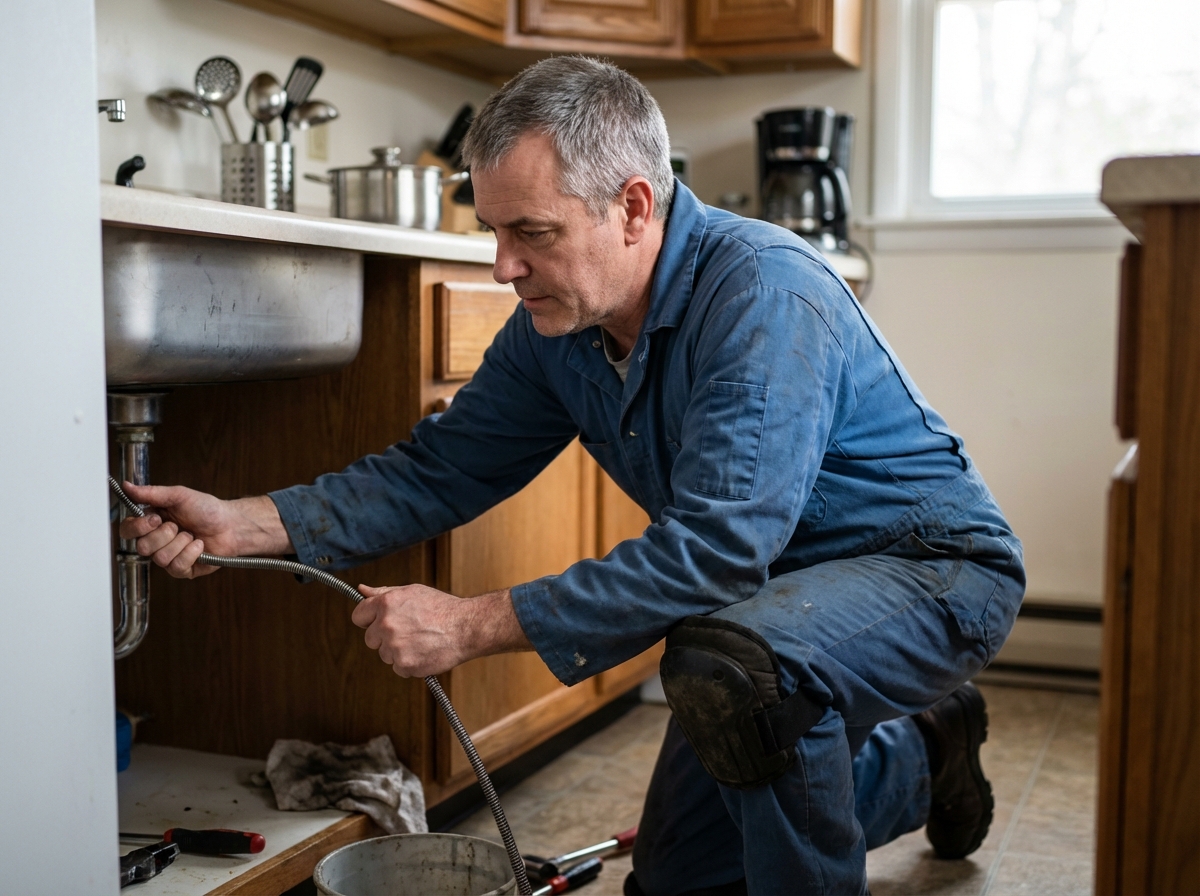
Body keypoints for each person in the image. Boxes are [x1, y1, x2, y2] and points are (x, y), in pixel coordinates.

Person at [120, 56, 1024, 896]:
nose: (503, 266)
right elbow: (442, 466)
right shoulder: (560, 328)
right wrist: (250, 521)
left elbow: (717, 551)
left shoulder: (762, 294)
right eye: (493, 231)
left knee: (738, 675)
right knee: (678, 880)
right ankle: (928, 754)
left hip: (931, 572)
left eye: (533, 232)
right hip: (770, 605)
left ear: (633, 207)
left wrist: (469, 624)